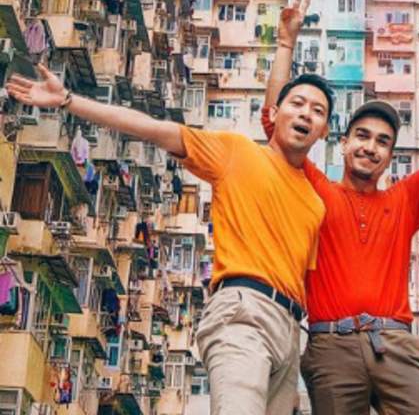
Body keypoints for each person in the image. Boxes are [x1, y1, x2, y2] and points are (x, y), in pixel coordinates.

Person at [6, 41, 332, 415]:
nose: (306, 113)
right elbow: (154, 129)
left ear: (323, 131)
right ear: (273, 113)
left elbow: (302, 277)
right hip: (243, 311)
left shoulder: (315, 202)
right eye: (298, 103)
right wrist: (68, 101)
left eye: (317, 110)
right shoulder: (237, 152)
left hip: (290, 330)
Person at [262, 0, 419, 414]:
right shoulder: (316, 190)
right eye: (362, 136)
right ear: (343, 144)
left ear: (390, 156)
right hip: (331, 346)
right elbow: (274, 123)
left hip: (394, 344)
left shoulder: (405, 200)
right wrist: (286, 43)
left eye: (382, 142)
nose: (370, 148)